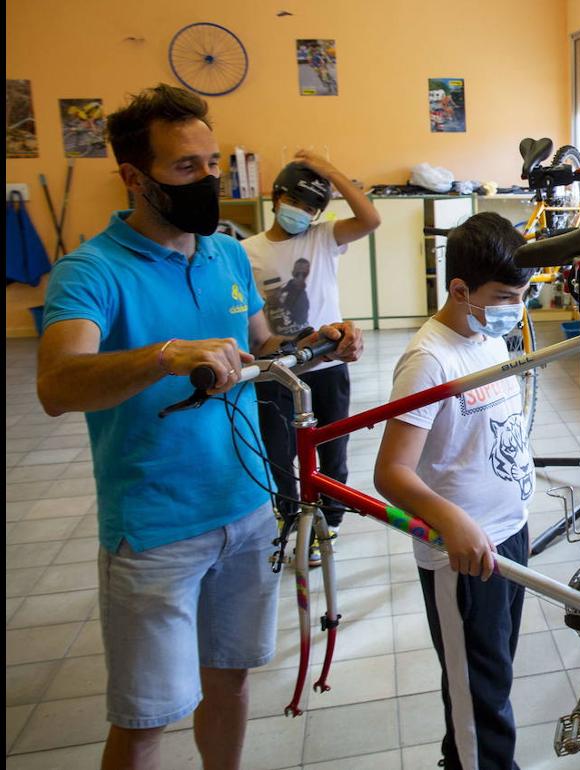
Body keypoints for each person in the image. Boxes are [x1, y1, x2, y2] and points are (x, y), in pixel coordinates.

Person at [35, 83, 362, 770]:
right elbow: (57, 385)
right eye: (187, 168)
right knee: (148, 719)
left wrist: (320, 344)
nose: (208, 180)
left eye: (213, 164)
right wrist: (161, 357)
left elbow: (262, 350)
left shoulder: (224, 255)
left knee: (231, 679)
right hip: (155, 530)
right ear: (133, 177)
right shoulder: (89, 272)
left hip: (245, 509)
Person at [374, 212, 537, 770]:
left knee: (489, 675)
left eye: (521, 297)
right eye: (504, 298)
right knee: (481, 700)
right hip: (463, 554)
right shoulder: (429, 359)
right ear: (459, 289)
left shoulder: (487, 339)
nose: (514, 311)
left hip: (509, 534)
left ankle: (461, 759)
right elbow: (392, 472)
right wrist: (453, 522)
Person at [243, 154, 380, 565]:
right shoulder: (245, 251)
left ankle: (329, 525)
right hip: (275, 372)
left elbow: (370, 219)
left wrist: (331, 170)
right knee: (280, 454)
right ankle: (290, 522)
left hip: (327, 365)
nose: (303, 214)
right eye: (297, 203)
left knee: (333, 450)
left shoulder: (322, 238)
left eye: (311, 208)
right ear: (277, 197)